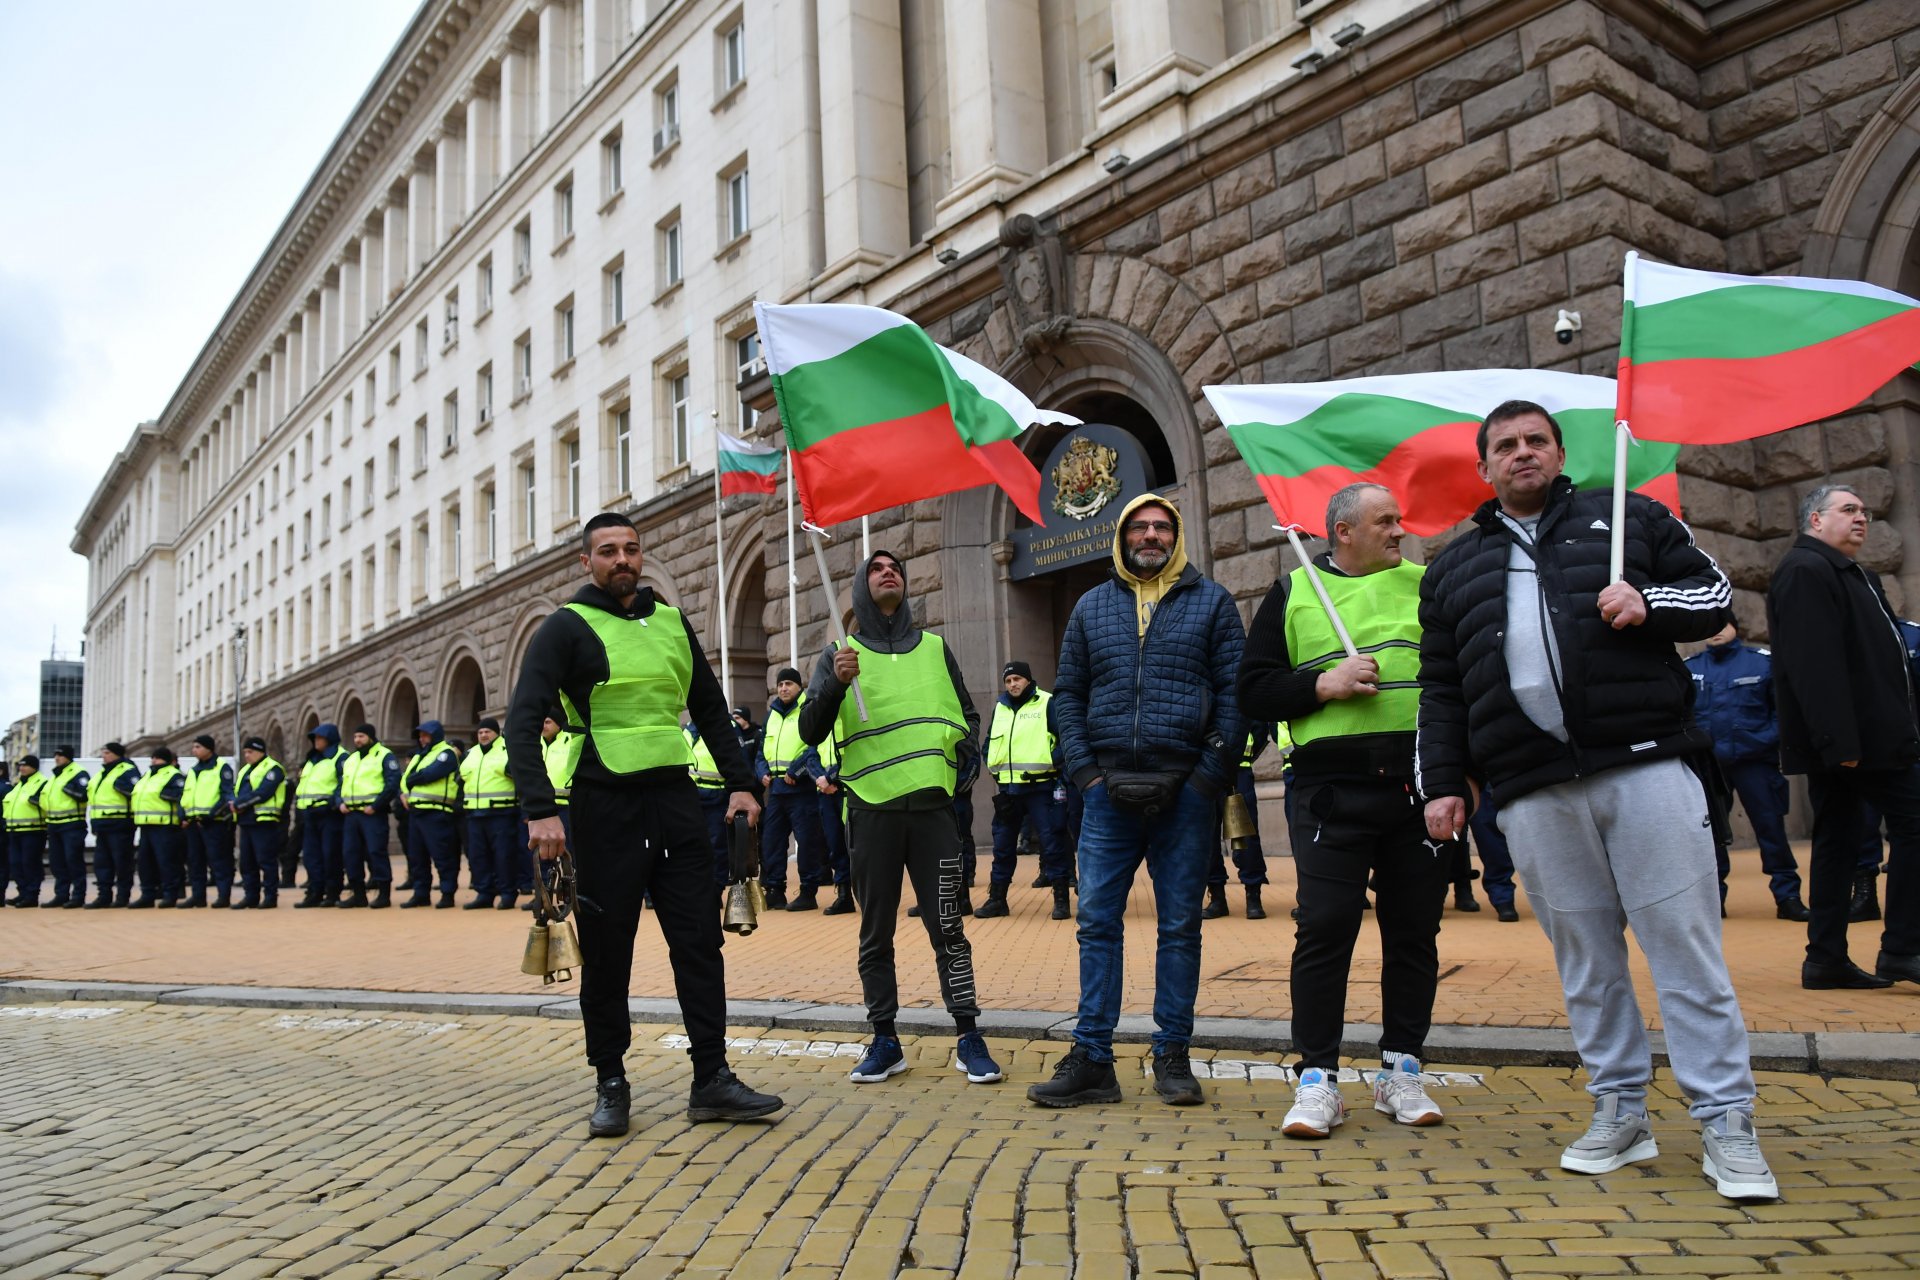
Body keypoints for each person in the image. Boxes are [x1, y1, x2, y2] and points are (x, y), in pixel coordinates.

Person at [1417, 399, 1773, 1201]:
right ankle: (1621, 1110)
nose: (1521, 454)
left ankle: (1726, 1121)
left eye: (1535, 441)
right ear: (1483, 467)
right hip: (1532, 792)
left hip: (1643, 767)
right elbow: (1441, 691)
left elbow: (1715, 597)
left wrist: (1651, 604)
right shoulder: (1451, 569)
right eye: (1504, 446)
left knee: (1685, 951)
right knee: (1587, 965)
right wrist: (1443, 782)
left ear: (1558, 451)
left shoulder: (1631, 519)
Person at [507, 511, 782, 1132]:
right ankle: (611, 1081)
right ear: (587, 563)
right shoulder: (564, 628)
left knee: (699, 944)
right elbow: (522, 723)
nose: (622, 559)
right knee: (609, 954)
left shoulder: (671, 622)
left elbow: (711, 709)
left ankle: (712, 1078)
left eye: (631, 548)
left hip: (678, 803)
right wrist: (540, 810)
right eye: (608, 551)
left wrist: (741, 784)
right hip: (605, 807)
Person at [1241, 482, 1452, 1138]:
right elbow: (1252, 689)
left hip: (1417, 791)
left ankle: (1401, 1069)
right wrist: (1321, 684)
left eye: (1399, 521)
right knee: (1326, 926)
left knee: (1414, 930)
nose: (1399, 532)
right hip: (1330, 792)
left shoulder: (1428, 586)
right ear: (1343, 533)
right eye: (1384, 522)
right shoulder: (1294, 591)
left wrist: (1456, 778)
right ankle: (1317, 1079)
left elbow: (1457, 683)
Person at [1029, 493, 1245, 1109]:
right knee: (1097, 924)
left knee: (1180, 927)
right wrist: (1086, 773)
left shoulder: (1213, 603)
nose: (1150, 536)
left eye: (1161, 527)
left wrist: (1207, 778)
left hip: (1186, 792)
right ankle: (1094, 1058)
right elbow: (1067, 695)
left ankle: (1172, 1055)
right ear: (1122, 536)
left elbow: (1235, 695)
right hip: (1105, 796)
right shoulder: (1091, 608)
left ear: (1174, 538)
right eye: (1139, 527)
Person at [797, 550, 998, 1086]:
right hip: (871, 812)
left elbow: (967, 715)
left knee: (949, 927)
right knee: (875, 932)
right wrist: (836, 683)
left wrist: (964, 765)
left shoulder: (935, 648)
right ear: (863, 588)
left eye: (896, 569)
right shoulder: (839, 656)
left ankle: (968, 1035)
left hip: (933, 815)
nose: (890, 573)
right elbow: (810, 732)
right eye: (877, 569)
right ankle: (884, 1039)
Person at [1766, 484, 1919, 990]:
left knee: (1837, 843)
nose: (1861, 518)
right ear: (1815, 521)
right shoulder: (1806, 570)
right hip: (1858, 745)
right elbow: (1814, 665)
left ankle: (1825, 958)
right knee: (1912, 826)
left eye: (1864, 512)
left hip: (1870, 740)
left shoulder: (1855, 575)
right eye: (1848, 510)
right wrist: (1839, 745)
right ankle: (1901, 948)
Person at [1685, 622, 1807, 920]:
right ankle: (1714, 900)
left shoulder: (1762, 662)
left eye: (1721, 624)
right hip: (1710, 767)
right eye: (1709, 625)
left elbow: (1783, 714)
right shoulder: (1691, 668)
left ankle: (1787, 895)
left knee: (1771, 830)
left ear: (1735, 628)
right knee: (1710, 835)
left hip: (1755, 763)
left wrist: (1762, 741)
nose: (1714, 630)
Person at [978, 660, 1074, 921]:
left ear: (1028, 681)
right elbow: (989, 742)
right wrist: (991, 764)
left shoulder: (1046, 702)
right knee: (1002, 845)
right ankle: (997, 899)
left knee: (1052, 842)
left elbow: (1066, 739)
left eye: (1017, 679)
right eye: (1008, 681)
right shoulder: (1001, 706)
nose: (1012, 685)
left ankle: (1061, 899)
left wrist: (1051, 760)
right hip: (1009, 789)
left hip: (1041, 787)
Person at [755, 668, 832, 911]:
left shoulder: (807, 709)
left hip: (802, 789)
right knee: (772, 842)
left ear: (799, 686)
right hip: (776, 789)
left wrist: (795, 772)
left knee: (807, 842)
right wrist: (761, 772)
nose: (783, 688)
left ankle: (808, 892)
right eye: (780, 684)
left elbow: (813, 745)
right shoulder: (772, 714)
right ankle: (775, 890)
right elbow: (760, 750)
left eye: (788, 683)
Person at [1204, 722, 1270, 920]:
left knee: (1244, 835)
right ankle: (1217, 897)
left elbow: (1259, 728)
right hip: (1207, 771)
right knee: (1208, 837)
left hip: (1238, 770)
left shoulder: (1241, 690)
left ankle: (1253, 896)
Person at [337, 723, 401, 908]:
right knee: (350, 854)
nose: (357, 740)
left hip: (372, 814)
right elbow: (340, 784)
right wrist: (339, 803)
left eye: (361, 737)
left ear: (371, 738)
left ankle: (383, 894)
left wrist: (376, 805)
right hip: (351, 814)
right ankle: (358, 894)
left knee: (376, 852)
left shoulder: (384, 755)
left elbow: (392, 783)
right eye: (356, 737)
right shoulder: (351, 759)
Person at [459, 717, 521, 910]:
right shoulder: (470, 753)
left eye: (488, 731)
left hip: (502, 813)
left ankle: (508, 893)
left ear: (496, 733)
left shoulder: (508, 749)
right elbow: (461, 781)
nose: (484, 735)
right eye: (480, 732)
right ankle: (484, 893)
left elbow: (520, 780)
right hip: (475, 814)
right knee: (478, 856)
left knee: (503, 856)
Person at [401, 721, 462, 908]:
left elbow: (432, 774)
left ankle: (447, 893)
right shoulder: (421, 755)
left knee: (442, 855)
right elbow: (406, 779)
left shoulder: (446, 753)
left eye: (425, 735)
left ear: (435, 734)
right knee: (417, 856)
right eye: (420, 735)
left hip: (437, 812)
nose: (422, 738)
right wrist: (405, 790)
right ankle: (421, 893)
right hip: (416, 812)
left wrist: (413, 780)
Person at [293, 725, 345, 909]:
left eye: (319, 738)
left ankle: (332, 892)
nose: (316, 741)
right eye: (314, 738)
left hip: (328, 815)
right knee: (311, 856)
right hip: (308, 814)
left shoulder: (340, 757)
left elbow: (343, 783)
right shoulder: (311, 759)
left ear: (329, 739)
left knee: (330, 855)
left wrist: (333, 804)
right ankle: (314, 892)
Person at [232, 738, 288, 909]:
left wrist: (240, 804)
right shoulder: (245, 771)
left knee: (266, 861)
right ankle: (251, 896)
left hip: (264, 821)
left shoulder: (273, 768)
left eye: (250, 752)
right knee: (246, 862)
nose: (247, 756)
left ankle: (270, 897)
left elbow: (264, 793)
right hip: (247, 821)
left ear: (261, 751)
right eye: (245, 752)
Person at [180, 737, 235, 908]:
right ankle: (198, 896)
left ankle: (223, 896)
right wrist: (183, 815)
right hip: (193, 823)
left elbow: (226, 795)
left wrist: (211, 815)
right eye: (193, 746)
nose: (194, 750)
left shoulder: (221, 767)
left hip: (213, 823)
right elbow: (186, 796)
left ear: (209, 749)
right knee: (195, 862)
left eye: (198, 747)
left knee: (218, 861)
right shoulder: (193, 770)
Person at [130, 747, 187, 908]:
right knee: (145, 863)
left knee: (167, 862)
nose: (154, 760)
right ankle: (148, 894)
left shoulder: (173, 775)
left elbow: (181, 796)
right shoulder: (148, 775)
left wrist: (182, 817)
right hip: (146, 825)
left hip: (165, 826)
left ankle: (170, 895)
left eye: (158, 758)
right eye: (153, 757)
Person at [86, 742, 140, 908]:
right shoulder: (102, 773)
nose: (104, 755)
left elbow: (136, 792)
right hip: (102, 825)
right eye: (103, 752)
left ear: (117, 754)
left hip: (120, 824)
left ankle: (122, 896)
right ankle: (104, 896)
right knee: (102, 864)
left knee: (122, 863)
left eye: (107, 752)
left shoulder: (127, 769)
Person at [684, 715, 734, 888]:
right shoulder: (689, 728)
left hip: (717, 793)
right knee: (691, 844)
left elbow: (738, 759)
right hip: (691, 794)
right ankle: (695, 887)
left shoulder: (726, 724)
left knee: (716, 845)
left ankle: (716, 888)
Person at [4, 756, 50, 907]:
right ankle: (23, 892)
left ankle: (31, 895)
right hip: (14, 831)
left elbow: (46, 803)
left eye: (25, 766)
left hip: (33, 830)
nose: (22, 768)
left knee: (29, 863)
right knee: (15, 864)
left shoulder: (41, 782)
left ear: (34, 767)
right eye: (20, 766)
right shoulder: (19, 785)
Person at [541, 712, 578, 848]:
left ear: (558, 723)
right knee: (542, 854)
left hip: (566, 806)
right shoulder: (535, 743)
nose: (543, 726)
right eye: (542, 722)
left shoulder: (571, 739)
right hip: (542, 806)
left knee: (568, 849)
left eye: (548, 722)